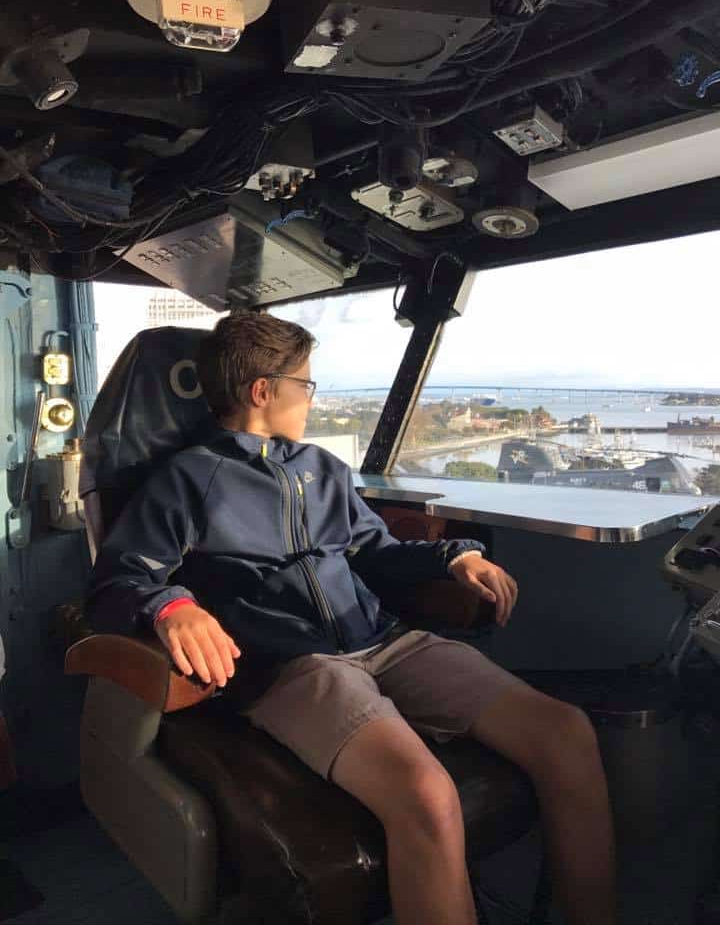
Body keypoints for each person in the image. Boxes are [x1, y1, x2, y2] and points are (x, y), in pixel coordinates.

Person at [87, 312, 615, 925]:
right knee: (427, 795)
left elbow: (378, 553)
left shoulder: (322, 470)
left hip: (384, 641)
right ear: (264, 391)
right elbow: (118, 582)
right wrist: (172, 607)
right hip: (294, 665)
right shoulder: (188, 479)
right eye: (305, 385)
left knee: (565, 732)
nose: (312, 399)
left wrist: (455, 556)